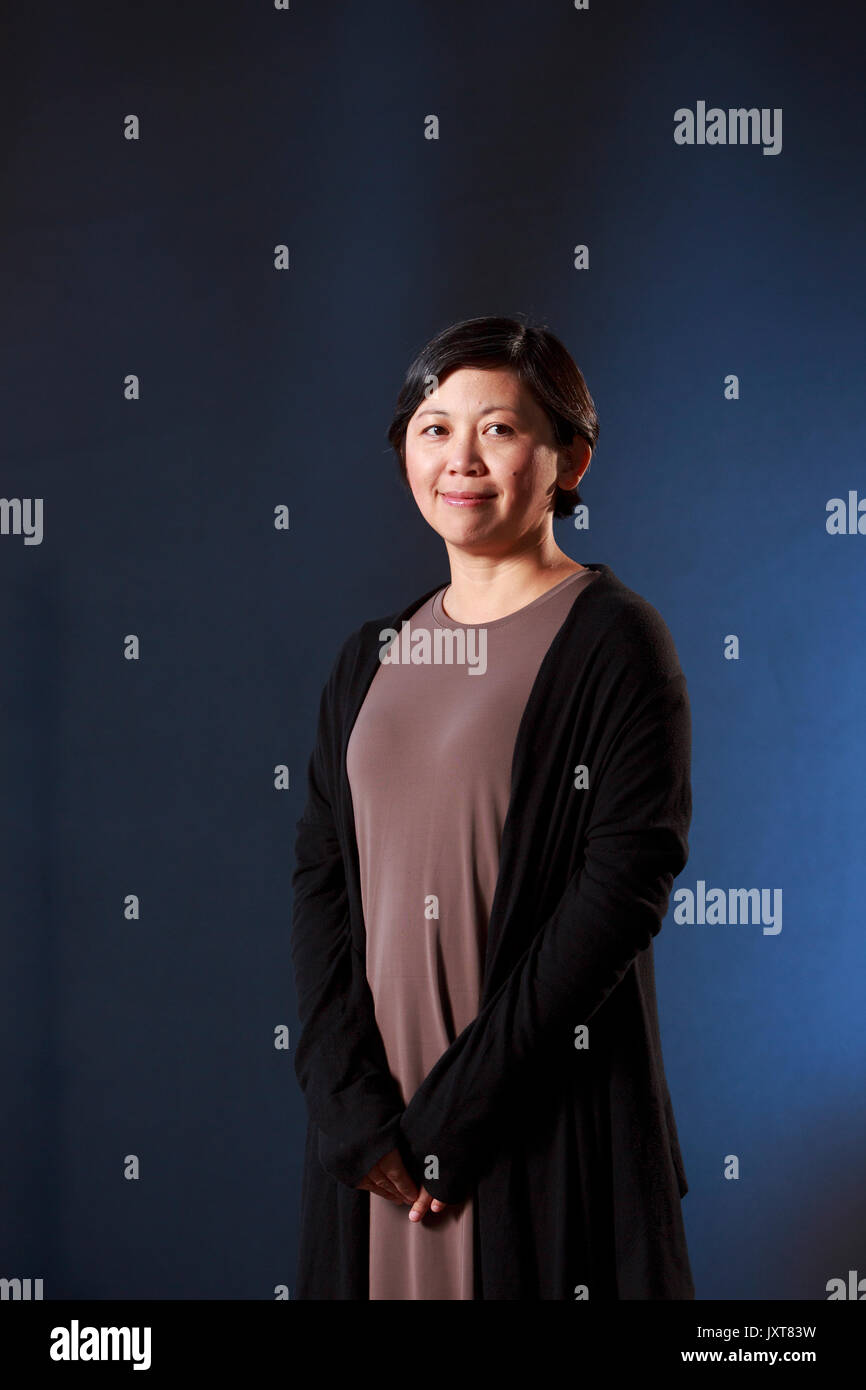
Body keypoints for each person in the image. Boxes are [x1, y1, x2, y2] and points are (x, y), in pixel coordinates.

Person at [291, 314, 695, 1300]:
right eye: (433, 428)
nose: (459, 458)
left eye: (500, 429)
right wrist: (352, 1113)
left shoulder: (614, 643)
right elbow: (321, 880)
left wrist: (450, 1123)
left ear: (569, 456)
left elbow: (619, 893)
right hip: (377, 1148)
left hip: (529, 1124)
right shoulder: (367, 657)